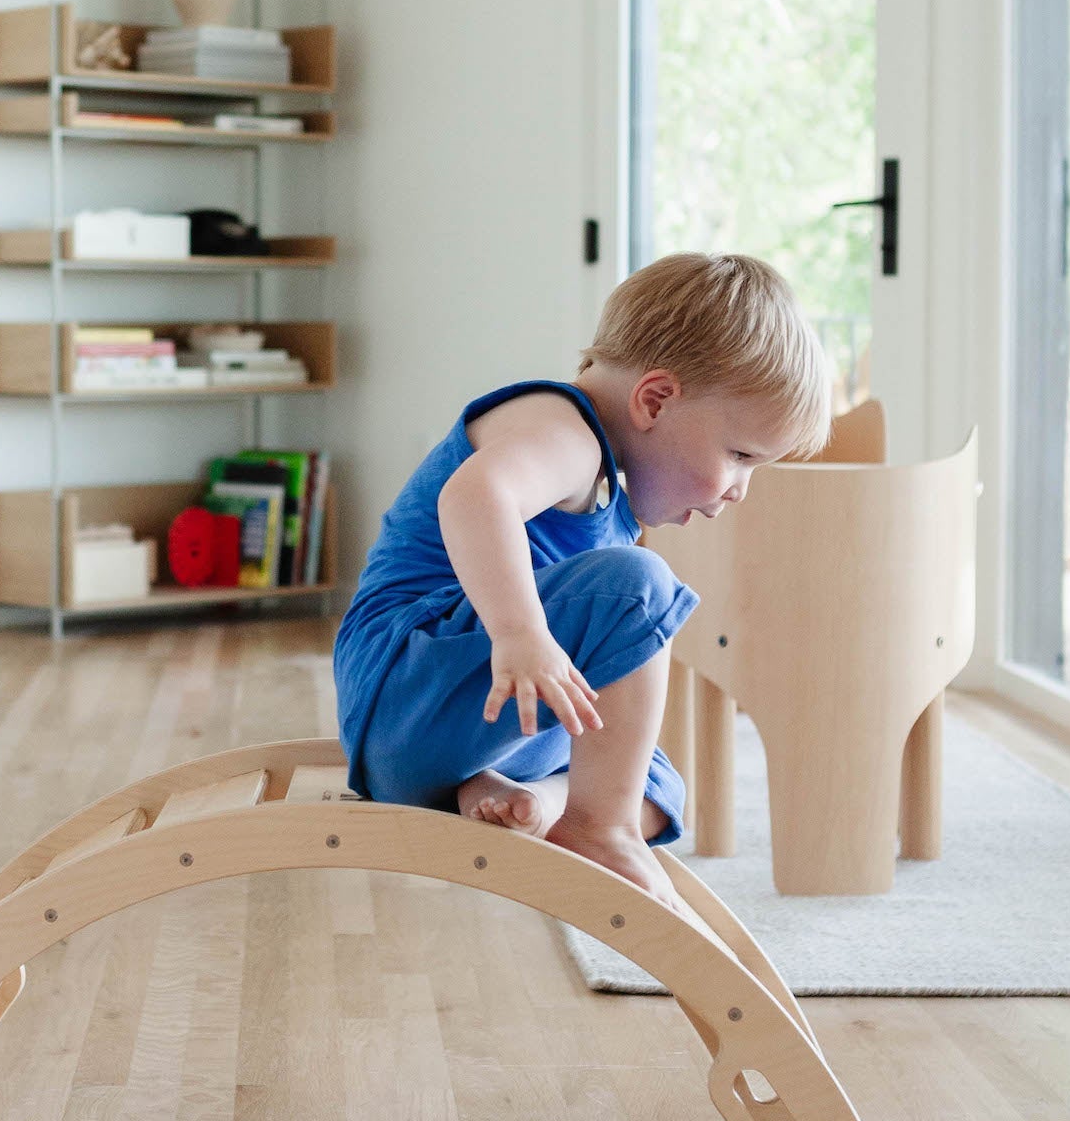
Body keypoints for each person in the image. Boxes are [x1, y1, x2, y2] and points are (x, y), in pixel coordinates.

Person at [333, 251, 834, 912]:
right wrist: (519, 632)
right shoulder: (565, 430)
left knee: (652, 778)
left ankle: (528, 803)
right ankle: (598, 827)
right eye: (740, 455)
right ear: (655, 399)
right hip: (406, 684)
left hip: (453, 726)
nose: (741, 489)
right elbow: (474, 496)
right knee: (637, 585)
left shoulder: (605, 485)